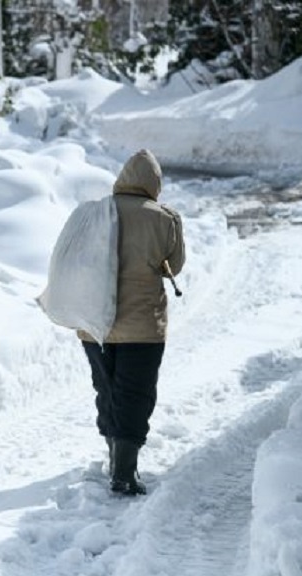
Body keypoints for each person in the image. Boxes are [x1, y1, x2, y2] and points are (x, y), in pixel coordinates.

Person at [79, 149, 185, 496]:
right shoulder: (164, 218)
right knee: (135, 394)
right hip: (142, 326)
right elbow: (176, 264)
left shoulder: (98, 212)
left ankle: (114, 457)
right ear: (154, 184)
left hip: (94, 321)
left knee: (107, 388)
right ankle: (124, 472)